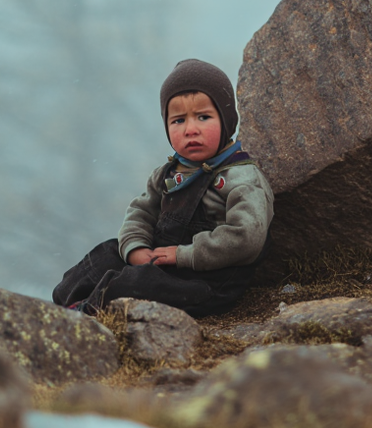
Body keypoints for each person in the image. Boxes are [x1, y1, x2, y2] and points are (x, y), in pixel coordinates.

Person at [52, 59, 274, 318]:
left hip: (204, 282)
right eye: (178, 120)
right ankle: (60, 305)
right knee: (106, 254)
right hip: (162, 264)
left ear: (226, 121)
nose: (191, 129)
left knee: (137, 283)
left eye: (203, 117)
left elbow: (247, 238)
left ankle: (85, 315)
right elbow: (140, 212)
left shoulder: (241, 177)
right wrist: (135, 248)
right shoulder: (166, 174)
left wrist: (183, 255)